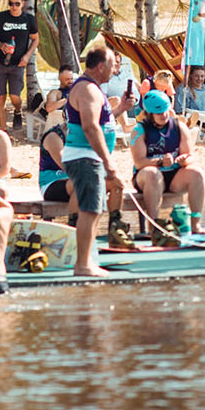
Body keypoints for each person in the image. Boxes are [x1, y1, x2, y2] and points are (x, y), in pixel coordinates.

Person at [62, 45, 125, 277]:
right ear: (100, 66)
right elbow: (90, 126)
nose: (114, 70)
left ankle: (88, 259)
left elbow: (102, 122)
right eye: (112, 65)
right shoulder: (87, 89)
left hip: (88, 157)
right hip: (84, 156)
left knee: (94, 209)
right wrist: (108, 162)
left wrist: (123, 108)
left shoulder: (93, 88)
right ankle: (82, 265)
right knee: (89, 210)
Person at [130, 89, 205, 230]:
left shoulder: (179, 127)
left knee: (196, 173)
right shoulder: (139, 130)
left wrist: (184, 159)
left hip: (174, 176)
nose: (164, 115)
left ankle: (195, 224)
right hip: (147, 177)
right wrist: (159, 162)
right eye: (159, 113)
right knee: (153, 174)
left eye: (166, 110)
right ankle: (154, 227)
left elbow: (189, 155)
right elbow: (139, 162)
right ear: (150, 113)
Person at [0, 0, 38, 132]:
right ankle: (2, 130)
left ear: (22, 4)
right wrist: (0, 45)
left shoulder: (28, 19)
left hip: (18, 64)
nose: (14, 7)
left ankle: (17, 112)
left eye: (17, 4)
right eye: (11, 4)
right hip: (0, 63)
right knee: (1, 97)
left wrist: (27, 56)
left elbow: (35, 39)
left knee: (15, 97)